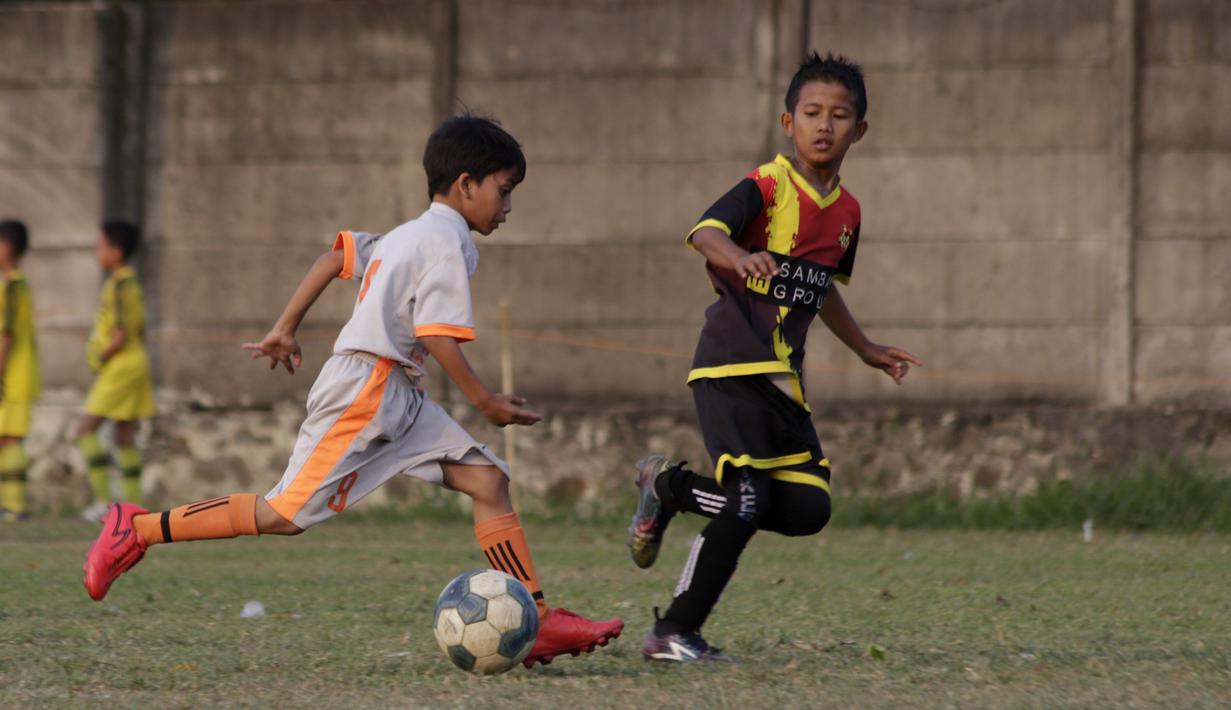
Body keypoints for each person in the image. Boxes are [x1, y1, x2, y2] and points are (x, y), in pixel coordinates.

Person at [81, 115, 623, 668]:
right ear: (466, 184)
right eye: (504, 192)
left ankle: (536, 619)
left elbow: (336, 257)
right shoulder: (446, 244)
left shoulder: (412, 234)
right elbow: (437, 335)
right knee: (282, 515)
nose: (508, 208)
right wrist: (485, 402)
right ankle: (138, 528)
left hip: (399, 392)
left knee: (489, 481)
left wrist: (285, 327)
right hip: (368, 389)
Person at [627, 52, 923, 662]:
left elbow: (824, 287)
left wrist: (865, 348)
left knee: (809, 507)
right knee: (749, 500)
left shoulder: (848, 213)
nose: (824, 125)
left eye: (839, 116)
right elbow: (706, 233)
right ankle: (673, 633)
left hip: (784, 382)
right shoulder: (766, 184)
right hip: (729, 367)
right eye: (812, 113)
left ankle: (667, 487)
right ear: (788, 121)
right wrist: (739, 257)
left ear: (858, 131)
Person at [76, 221, 156, 522]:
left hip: (121, 365)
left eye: (101, 245)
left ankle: (105, 503)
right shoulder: (131, 283)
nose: (97, 252)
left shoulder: (120, 285)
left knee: (85, 430)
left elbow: (120, 334)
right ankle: (134, 507)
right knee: (125, 435)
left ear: (116, 251)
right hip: (137, 363)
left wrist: (99, 355)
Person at [0, 219, 40, 522]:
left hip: (12, 374)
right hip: (17, 373)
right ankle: (10, 505)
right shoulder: (18, 284)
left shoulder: (13, 286)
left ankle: (15, 507)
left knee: (10, 438)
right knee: (6, 437)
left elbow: (7, 335)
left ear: (8, 247)